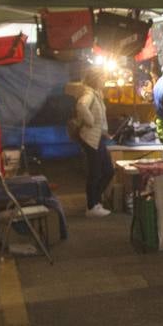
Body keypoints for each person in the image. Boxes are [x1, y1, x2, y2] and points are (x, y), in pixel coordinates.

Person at [75, 67, 114, 218]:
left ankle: (96, 201)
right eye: (102, 78)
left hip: (98, 138)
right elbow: (81, 106)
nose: (104, 81)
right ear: (96, 79)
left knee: (108, 171)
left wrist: (104, 131)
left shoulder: (97, 94)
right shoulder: (88, 93)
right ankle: (92, 206)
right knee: (95, 172)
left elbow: (100, 118)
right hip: (91, 139)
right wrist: (90, 121)